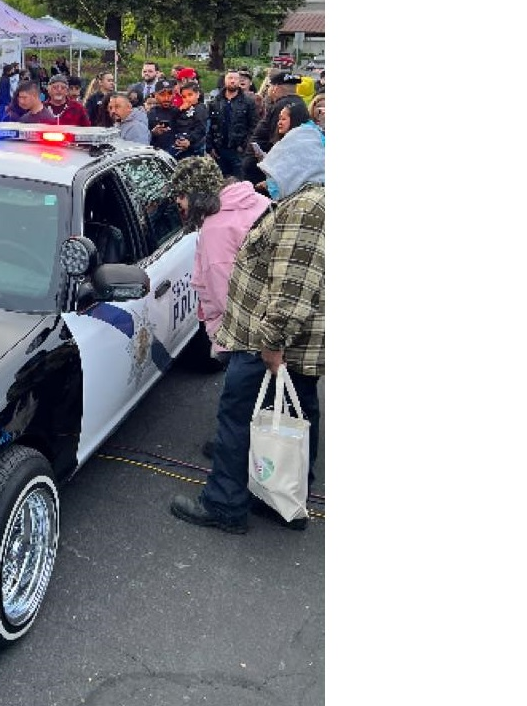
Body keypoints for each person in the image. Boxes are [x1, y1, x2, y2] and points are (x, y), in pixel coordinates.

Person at [169, 122, 325, 534]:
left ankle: (224, 505)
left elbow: (290, 286)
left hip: (264, 338)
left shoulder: (306, 209)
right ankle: (280, 498)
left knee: (237, 418)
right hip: (291, 339)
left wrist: (270, 345)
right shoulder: (288, 203)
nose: (268, 181)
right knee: (292, 414)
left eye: (274, 173)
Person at [169, 156, 271, 367]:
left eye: (181, 194)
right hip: (277, 325)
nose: (177, 201)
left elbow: (225, 297)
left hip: (246, 341)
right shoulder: (257, 201)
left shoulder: (215, 230)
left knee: (237, 400)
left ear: (196, 193)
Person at [208, 69, 258, 180]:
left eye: (235, 79)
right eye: (230, 78)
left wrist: (244, 146)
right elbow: (210, 125)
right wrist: (210, 147)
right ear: (225, 80)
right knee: (220, 183)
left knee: (239, 183)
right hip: (219, 150)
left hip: (238, 150)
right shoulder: (215, 101)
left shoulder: (248, 102)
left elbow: (254, 126)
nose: (233, 81)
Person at [170, 81, 209, 160]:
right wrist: (179, 110)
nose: (187, 98)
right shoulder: (181, 109)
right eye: (184, 96)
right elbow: (173, 123)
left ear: (197, 94)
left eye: (190, 95)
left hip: (194, 147)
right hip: (179, 143)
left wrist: (189, 140)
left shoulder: (200, 108)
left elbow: (201, 129)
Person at [146, 79, 181, 154]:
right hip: (156, 155)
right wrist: (153, 133)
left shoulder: (179, 112)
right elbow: (142, 140)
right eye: (162, 94)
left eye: (169, 94)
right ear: (155, 95)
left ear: (174, 94)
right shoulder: (149, 114)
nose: (166, 98)